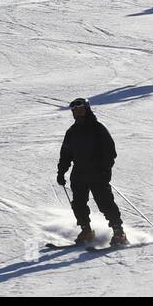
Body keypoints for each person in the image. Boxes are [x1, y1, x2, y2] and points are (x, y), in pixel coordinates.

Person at [57, 98, 127, 246]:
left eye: (81, 110)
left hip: (97, 172)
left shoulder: (98, 128)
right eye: (75, 111)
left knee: (105, 202)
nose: (78, 113)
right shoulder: (72, 132)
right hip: (79, 173)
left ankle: (119, 232)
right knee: (78, 204)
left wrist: (105, 169)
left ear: (87, 110)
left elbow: (110, 151)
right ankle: (86, 230)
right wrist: (61, 172)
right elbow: (66, 154)